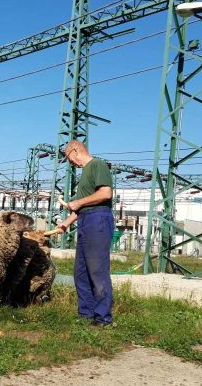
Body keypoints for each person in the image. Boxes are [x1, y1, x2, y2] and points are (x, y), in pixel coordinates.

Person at [49, 139, 115, 326]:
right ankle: (86, 313)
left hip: (98, 219)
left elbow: (105, 194)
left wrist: (78, 202)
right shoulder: (85, 173)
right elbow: (80, 209)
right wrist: (65, 224)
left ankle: (103, 318)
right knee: (81, 271)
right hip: (86, 220)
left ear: (76, 150)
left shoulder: (97, 165)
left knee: (97, 270)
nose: (69, 162)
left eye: (68, 157)